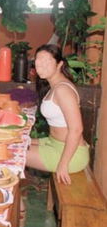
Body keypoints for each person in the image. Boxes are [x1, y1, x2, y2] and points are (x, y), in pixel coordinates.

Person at [26, 44, 89, 184]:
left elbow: (77, 129)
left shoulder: (62, 90)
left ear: (59, 64)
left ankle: (16, 204)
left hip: (70, 154)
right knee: (15, 144)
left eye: (47, 61)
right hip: (53, 143)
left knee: (9, 154)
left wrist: (63, 164)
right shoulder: (53, 86)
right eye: (38, 61)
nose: (41, 65)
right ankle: (17, 202)